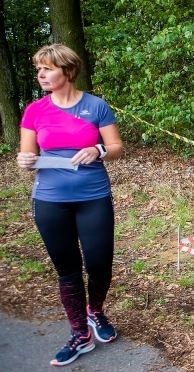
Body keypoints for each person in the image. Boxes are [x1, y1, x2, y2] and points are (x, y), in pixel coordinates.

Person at [16, 44, 124, 367]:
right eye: (38, 69)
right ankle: (80, 333)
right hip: (50, 200)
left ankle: (96, 311)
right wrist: (24, 161)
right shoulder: (34, 110)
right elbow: (28, 157)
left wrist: (99, 151)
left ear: (68, 71)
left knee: (99, 264)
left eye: (47, 68)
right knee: (67, 270)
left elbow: (117, 146)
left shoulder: (96, 106)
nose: (41, 74)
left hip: (93, 197)